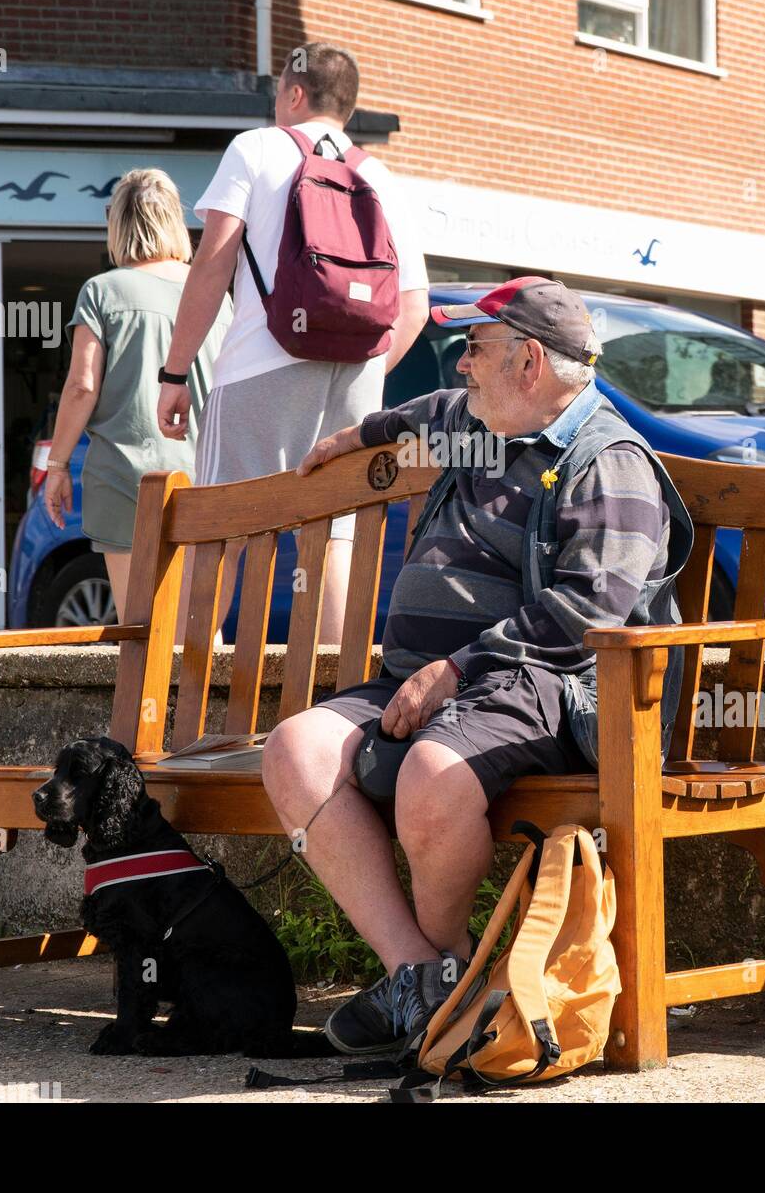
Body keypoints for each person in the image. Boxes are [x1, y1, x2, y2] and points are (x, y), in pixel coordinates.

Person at [262, 277, 690, 1056]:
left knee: (433, 776)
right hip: (421, 682)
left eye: (474, 350)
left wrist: (455, 670)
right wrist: (357, 438)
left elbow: (589, 613)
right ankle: (426, 978)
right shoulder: (481, 422)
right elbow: (420, 413)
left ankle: (436, 989)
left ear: (529, 363)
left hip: (542, 685)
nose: (459, 365)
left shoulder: (608, 462)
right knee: (295, 749)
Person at [156, 42, 429, 645]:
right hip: (355, 379)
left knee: (219, 531)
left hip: (260, 364)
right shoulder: (378, 175)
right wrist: (369, 372)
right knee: (332, 535)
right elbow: (414, 305)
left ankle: (182, 693)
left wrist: (175, 374)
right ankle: (326, 703)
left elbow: (211, 264)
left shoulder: (255, 148)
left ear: (295, 94)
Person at [45, 169, 231, 628]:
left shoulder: (103, 291)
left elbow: (82, 385)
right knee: (200, 629)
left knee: (141, 629)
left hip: (125, 476)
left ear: (119, 223)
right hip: (204, 473)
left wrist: (56, 465)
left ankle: (149, 703)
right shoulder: (215, 296)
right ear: (173, 221)